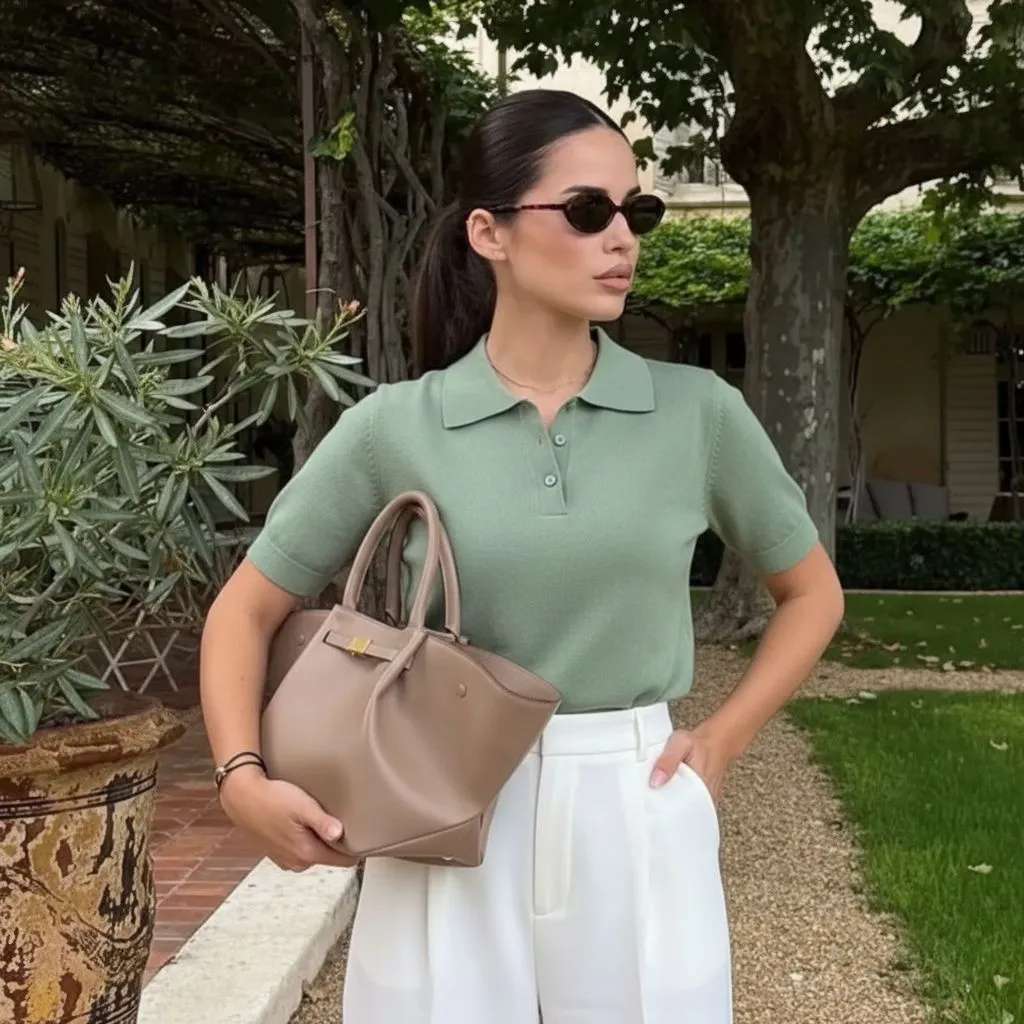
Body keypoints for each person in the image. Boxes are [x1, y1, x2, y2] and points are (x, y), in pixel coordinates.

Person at [200, 88, 845, 1024]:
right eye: (588, 212)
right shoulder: (396, 426)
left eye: (638, 211)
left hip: (635, 795)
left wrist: (723, 740)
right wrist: (240, 777)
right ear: (489, 233)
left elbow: (812, 594)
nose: (622, 237)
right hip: (439, 792)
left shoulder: (699, 414)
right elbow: (244, 609)